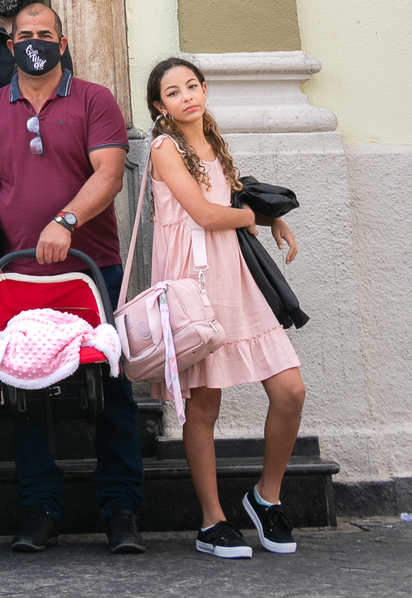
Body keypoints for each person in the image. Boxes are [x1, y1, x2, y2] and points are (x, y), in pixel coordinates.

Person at [0, 1, 145, 555]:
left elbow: (110, 174)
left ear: (62, 45)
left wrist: (65, 220)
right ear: (10, 44)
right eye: (25, 35)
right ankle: (40, 509)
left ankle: (121, 510)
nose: (35, 42)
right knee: (24, 391)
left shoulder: (94, 99)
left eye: (45, 34)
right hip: (17, 280)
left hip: (93, 272)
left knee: (113, 389)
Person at [147, 58, 306, 560]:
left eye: (192, 86)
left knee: (290, 390)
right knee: (205, 404)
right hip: (193, 280)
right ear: (160, 106)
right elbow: (202, 212)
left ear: (205, 90)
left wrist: (268, 217)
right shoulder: (163, 147)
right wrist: (248, 218)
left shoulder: (213, 142)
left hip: (235, 276)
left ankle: (266, 497)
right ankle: (212, 521)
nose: (186, 96)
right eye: (173, 92)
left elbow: (229, 198)